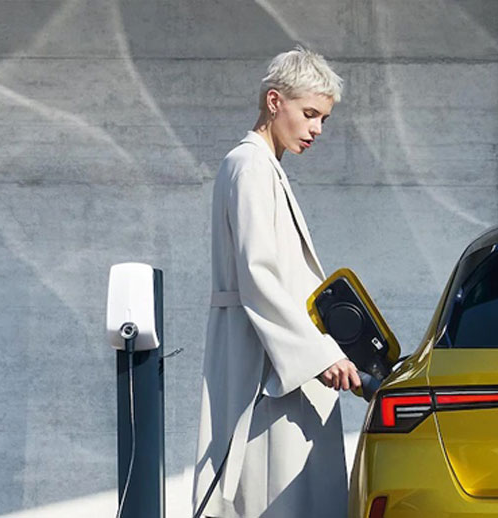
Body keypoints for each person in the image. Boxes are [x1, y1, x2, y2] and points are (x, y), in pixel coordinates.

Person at [193, 46, 359, 518]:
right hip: (264, 359)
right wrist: (317, 355)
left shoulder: (263, 166)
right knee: (271, 492)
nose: (317, 129)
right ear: (273, 101)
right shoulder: (249, 166)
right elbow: (258, 273)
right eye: (309, 114)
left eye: (323, 119)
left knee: (285, 491)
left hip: (277, 352)